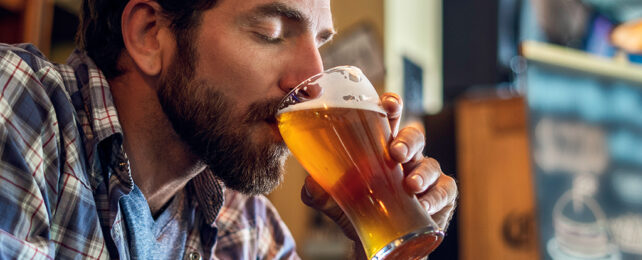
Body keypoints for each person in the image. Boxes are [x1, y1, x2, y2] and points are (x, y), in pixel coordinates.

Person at [0, 0, 457, 258]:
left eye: (321, 45)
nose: (310, 81)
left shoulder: (245, 227)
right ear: (149, 33)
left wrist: (373, 243)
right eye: (272, 32)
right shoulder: (21, 108)